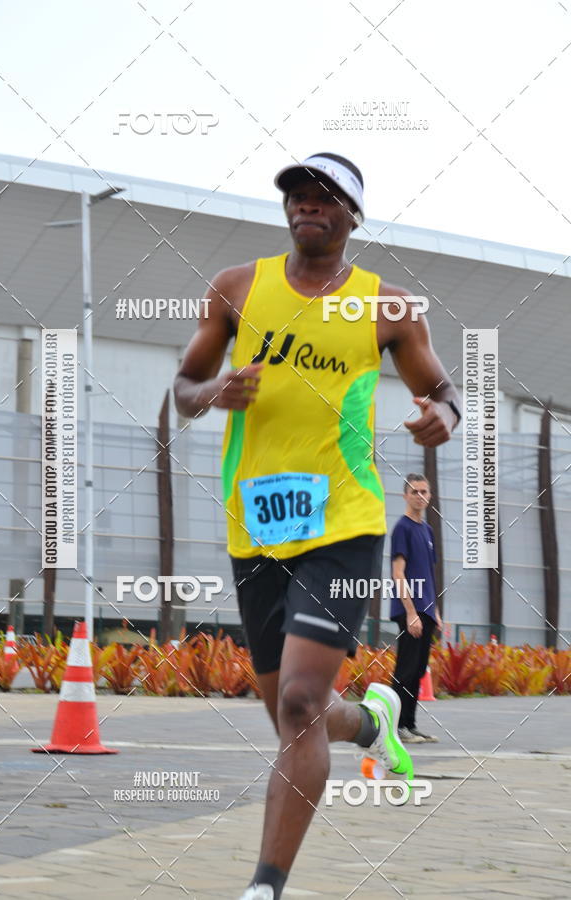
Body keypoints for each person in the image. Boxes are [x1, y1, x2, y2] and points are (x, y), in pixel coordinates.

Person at [174, 152, 460, 900]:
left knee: (300, 704)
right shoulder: (237, 289)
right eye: (297, 193)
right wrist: (213, 392)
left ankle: (265, 886)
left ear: (352, 217)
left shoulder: (387, 307)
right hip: (258, 527)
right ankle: (372, 723)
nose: (307, 202)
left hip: (346, 523)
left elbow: (441, 388)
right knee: (291, 717)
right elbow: (182, 388)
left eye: (326, 195)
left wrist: (442, 416)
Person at [390, 474, 444, 743]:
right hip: (409, 609)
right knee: (406, 669)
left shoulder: (427, 530)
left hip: (426, 609)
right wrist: (411, 612)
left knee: (419, 670)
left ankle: (409, 725)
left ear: (429, 496)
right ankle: (395, 727)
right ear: (405, 496)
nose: (420, 496)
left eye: (424, 491)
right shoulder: (403, 528)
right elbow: (398, 573)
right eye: (415, 491)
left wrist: (435, 612)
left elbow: (429, 574)